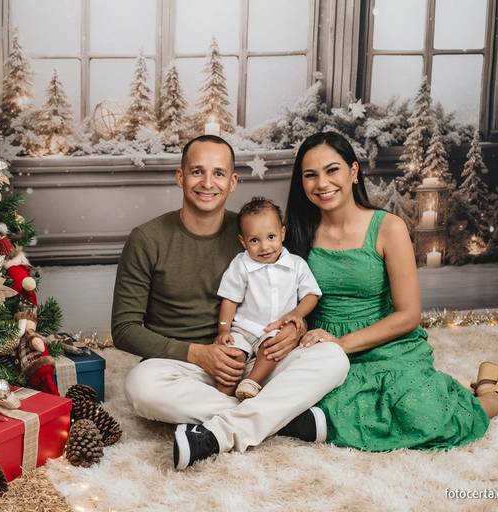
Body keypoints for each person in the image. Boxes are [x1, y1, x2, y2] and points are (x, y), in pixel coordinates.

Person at [284, 131, 498, 451]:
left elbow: (408, 315)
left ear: (353, 172)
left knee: (423, 418)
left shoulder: (387, 227)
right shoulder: (297, 231)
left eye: (332, 170)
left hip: (383, 342)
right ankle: (480, 383)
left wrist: (341, 344)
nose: (322, 183)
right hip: (323, 348)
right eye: (310, 175)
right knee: (320, 415)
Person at [112, 134, 350, 470]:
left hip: (256, 358)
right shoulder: (148, 238)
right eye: (197, 172)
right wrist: (199, 354)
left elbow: (290, 291)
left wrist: (296, 329)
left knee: (333, 358)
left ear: (233, 181)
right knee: (141, 387)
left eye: (219, 173)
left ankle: (220, 431)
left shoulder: (255, 231)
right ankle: (286, 419)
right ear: (180, 177)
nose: (208, 183)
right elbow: (124, 329)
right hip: (187, 367)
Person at [213, 197, 322, 400]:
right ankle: (219, 397)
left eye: (271, 237)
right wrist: (223, 329)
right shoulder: (241, 264)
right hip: (243, 329)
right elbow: (229, 299)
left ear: (282, 233)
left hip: (274, 330)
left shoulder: (296, 265)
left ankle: (252, 382)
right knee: (232, 356)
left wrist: (297, 314)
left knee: (272, 350)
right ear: (243, 241)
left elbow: (311, 294)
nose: (264, 247)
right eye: (254, 240)